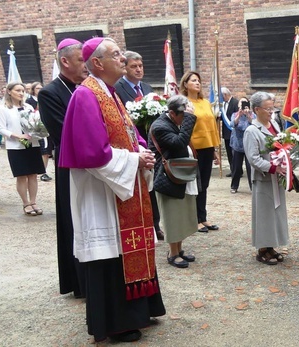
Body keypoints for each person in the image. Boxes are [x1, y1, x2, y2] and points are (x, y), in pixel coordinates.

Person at [59, 37, 165, 342]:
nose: (123, 58)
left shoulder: (112, 94)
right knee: (110, 254)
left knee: (126, 249)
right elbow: (93, 153)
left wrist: (142, 152)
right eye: (116, 54)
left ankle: (140, 310)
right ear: (97, 63)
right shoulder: (86, 95)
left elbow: (129, 134)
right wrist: (134, 159)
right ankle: (116, 323)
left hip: (121, 185)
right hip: (102, 192)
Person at [39, 38, 88, 297]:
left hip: (92, 162)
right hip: (70, 164)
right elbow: (63, 131)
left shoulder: (87, 87)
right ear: (65, 61)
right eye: (81, 60)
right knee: (74, 220)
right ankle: (78, 282)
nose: (86, 65)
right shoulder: (49, 93)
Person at [114, 50, 162, 240]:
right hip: (132, 145)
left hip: (151, 143)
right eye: (133, 66)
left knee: (153, 186)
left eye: (140, 66)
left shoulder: (148, 88)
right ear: (125, 68)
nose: (138, 70)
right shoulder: (117, 89)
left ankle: (155, 225)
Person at [149, 95, 198, 268]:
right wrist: (190, 120)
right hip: (167, 178)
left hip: (179, 175)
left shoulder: (173, 122)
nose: (185, 119)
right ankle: (173, 253)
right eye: (183, 115)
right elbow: (179, 142)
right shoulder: (160, 126)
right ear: (171, 112)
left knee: (182, 215)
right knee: (172, 216)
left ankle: (179, 249)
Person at [243, 91, 288, 265]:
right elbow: (253, 159)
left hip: (277, 177)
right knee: (264, 214)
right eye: (267, 108)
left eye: (272, 108)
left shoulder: (275, 124)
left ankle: (271, 246)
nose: (271, 112)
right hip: (263, 177)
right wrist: (273, 167)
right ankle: (262, 249)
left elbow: (280, 145)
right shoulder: (251, 131)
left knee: (275, 213)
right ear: (256, 109)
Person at [0, 82, 45, 216]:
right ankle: (26, 203)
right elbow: (0, 129)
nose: (21, 93)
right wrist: (17, 135)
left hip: (31, 143)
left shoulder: (28, 107)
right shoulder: (3, 108)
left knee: (33, 174)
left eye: (23, 91)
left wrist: (38, 131)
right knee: (22, 176)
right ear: (9, 91)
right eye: (18, 90)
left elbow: (34, 122)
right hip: (15, 146)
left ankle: (33, 201)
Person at [180, 71, 220, 233]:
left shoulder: (204, 102)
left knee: (204, 184)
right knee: (194, 184)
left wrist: (214, 150)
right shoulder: (184, 103)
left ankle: (203, 217)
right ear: (185, 84)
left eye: (199, 81)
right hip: (193, 148)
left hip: (207, 147)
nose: (197, 83)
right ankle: (194, 219)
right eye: (193, 80)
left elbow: (211, 127)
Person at [26, 81, 53, 182]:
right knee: (41, 151)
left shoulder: (45, 99)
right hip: (36, 129)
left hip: (47, 128)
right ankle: (41, 171)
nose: (40, 90)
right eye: (37, 88)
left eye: (41, 88)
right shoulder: (29, 101)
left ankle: (44, 171)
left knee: (46, 152)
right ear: (33, 90)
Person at [230, 97, 253, 193]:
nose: (242, 105)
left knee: (250, 167)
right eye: (241, 103)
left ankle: (253, 187)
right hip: (238, 145)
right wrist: (239, 116)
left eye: (244, 103)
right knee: (236, 167)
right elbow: (232, 124)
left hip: (249, 145)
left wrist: (248, 115)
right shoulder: (235, 114)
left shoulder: (252, 115)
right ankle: (234, 186)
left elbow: (254, 124)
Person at [221, 87, 239, 176]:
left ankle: (237, 170)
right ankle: (233, 170)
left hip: (234, 132)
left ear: (225, 94)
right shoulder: (223, 104)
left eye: (221, 96)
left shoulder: (235, 103)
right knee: (229, 153)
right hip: (226, 132)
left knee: (234, 153)